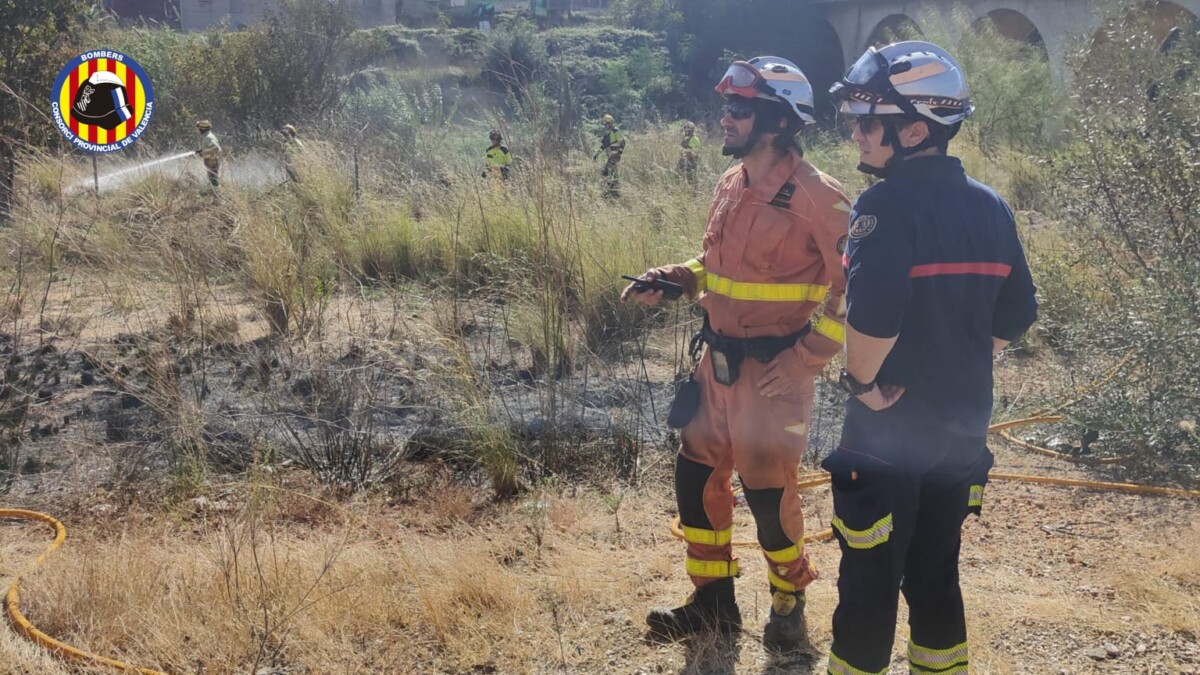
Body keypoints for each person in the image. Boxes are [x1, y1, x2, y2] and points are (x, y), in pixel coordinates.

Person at [622, 56, 852, 652]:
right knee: (695, 478)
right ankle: (713, 605)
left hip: (774, 376)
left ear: (779, 121)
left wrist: (807, 358)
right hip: (716, 365)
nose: (725, 117)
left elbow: (854, 288)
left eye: (740, 108)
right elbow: (717, 268)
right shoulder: (731, 183)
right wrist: (677, 278)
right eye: (726, 105)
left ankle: (787, 602)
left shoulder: (820, 197)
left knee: (769, 496)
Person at [824, 41, 1038, 674]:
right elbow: (1017, 311)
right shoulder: (991, 205)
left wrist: (861, 384)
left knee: (870, 578)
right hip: (962, 430)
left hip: (887, 435)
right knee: (936, 572)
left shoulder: (883, 205)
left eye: (869, 122)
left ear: (916, 129)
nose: (856, 134)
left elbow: (873, 317)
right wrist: (957, 358)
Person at [596, 113, 625, 197]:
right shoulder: (607, 133)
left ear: (610, 123)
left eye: (606, 123)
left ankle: (611, 191)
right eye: (604, 124)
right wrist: (597, 154)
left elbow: (622, 142)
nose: (605, 125)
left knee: (606, 171)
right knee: (612, 172)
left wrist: (618, 154)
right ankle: (614, 191)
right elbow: (604, 145)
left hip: (614, 155)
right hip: (609, 155)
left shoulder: (616, 131)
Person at [195, 120, 221, 187]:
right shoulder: (209, 136)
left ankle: (216, 192)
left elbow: (216, 148)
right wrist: (202, 151)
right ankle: (214, 192)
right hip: (212, 162)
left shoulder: (208, 137)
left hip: (212, 162)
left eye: (199, 128)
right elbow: (211, 148)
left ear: (202, 129)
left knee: (213, 182)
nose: (198, 130)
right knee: (212, 181)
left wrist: (204, 152)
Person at [677, 120, 701, 186]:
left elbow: (696, 151)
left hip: (691, 161)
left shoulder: (695, 139)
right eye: (685, 129)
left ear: (692, 130)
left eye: (688, 129)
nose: (686, 131)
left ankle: (695, 189)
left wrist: (688, 152)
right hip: (683, 160)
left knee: (692, 176)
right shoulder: (685, 139)